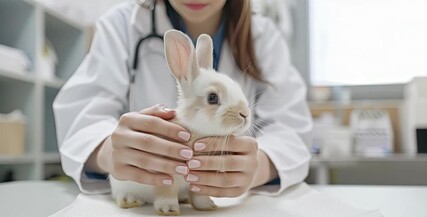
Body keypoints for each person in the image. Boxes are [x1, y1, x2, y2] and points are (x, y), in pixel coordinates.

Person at [53, 0, 312, 197]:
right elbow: (79, 121)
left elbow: (292, 131)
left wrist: (260, 166)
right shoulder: (122, 25)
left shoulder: (263, 36)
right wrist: (108, 150)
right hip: (145, 205)